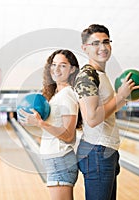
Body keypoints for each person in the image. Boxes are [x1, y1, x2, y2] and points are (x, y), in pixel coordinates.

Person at [74, 24, 139, 200]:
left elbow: (107, 110)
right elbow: (92, 118)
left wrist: (125, 97)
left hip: (106, 150)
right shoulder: (87, 76)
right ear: (85, 48)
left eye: (106, 42)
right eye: (95, 43)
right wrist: (120, 96)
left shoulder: (100, 74)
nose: (102, 47)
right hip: (97, 151)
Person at [18, 49, 81, 200]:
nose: (56, 69)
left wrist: (40, 123)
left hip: (61, 160)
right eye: (54, 65)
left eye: (63, 65)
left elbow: (68, 135)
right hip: (57, 160)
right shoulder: (56, 95)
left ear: (72, 69)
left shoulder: (67, 95)